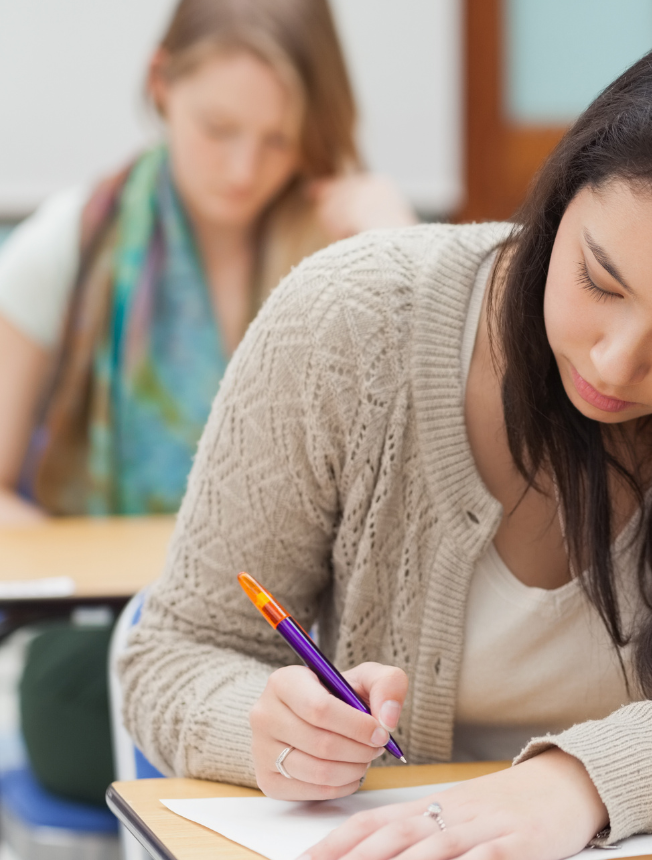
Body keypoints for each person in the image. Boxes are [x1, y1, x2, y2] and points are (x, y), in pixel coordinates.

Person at [120, 15, 652, 860]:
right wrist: (270, 729)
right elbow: (174, 654)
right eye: (599, 281)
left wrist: (584, 782)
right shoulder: (355, 320)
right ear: (565, 190)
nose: (613, 361)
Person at [0, 0, 416, 524]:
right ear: (161, 83)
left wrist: (405, 262)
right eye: (218, 129)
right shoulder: (69, 247)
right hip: (114, 603)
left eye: (279, 139)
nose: (243, 172)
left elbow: (424, 487)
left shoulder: (352, 248)